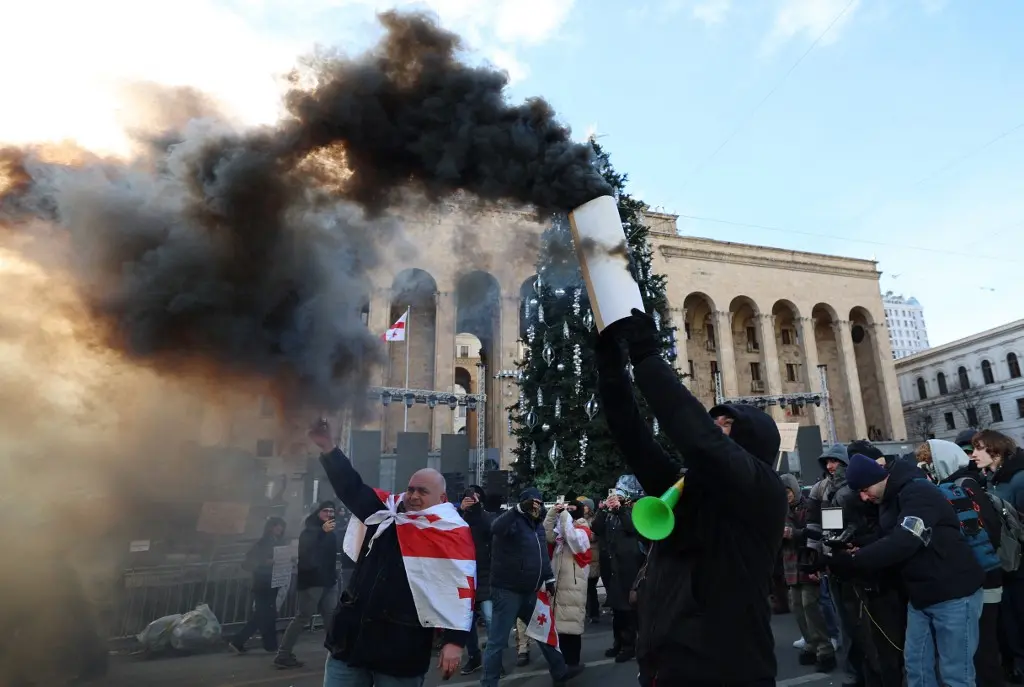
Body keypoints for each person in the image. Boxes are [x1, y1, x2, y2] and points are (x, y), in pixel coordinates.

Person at [596, 309, 788, 687]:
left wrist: (647, 355)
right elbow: (632, 436)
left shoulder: (762, 488)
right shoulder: (688, 490)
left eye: (727, 425)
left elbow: (696, 435)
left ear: (753, 443)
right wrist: (611, 370)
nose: (717, 428)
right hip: (665, 669)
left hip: (728, 671)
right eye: (715, 422)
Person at [309, 422, 469, 687]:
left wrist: (455, 640)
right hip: (350, 643)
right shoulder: (385, 513)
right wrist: (329, 448)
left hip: (400, 651)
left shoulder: (451, 533)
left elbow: (461, 588)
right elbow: (352, 488)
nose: (413, 496)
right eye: (411, 489)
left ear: (441, 499)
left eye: (422, 491)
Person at [829, 453, 984, 687]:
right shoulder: (892, 498)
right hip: (920, 595)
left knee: (955, 674)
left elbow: (906, 539)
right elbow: (888, 536)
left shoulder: (918, 492)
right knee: (917, 669)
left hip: (953, 593)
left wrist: (856, 560)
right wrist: (859, 547)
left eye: (864, 489)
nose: (863, 497)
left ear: (877, 478)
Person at [918, 439, 1005, 687]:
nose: (928, 470)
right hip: (981, 573)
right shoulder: (963, 482)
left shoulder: (961, 486)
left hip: (982, 575)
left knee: (984, 648)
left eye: (930, 463)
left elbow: (987, 529)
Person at [482, 487, 585, 687]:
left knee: (545, 632)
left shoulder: (536, 525)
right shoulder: (511, 521)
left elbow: (541, 556)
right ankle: (489, 683)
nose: (536, 505)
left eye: (538, 501)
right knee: (497, 641)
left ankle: (560, 671)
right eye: (532, 501)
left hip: (529, 591)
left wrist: (549, 578)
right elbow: (495, 528)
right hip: (507, 591)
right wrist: (517, 510)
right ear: (523, 503)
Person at [972, 430, 1024, 683]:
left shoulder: (1018, 479)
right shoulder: (990, 479)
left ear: (995, 450)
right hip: (1003, 562)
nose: (973, 455)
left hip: (1019, 562)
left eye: (979, 448)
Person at [780, 474, 836, 673]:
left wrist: (792, 533)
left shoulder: (808, 506)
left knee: (810, 606)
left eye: (787, 492)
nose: (786, 496)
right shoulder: (780, 511)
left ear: (794, 490)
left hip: (807, 562)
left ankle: (824, 648)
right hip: (790, 566)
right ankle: (811, 645)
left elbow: (814, 533)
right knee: (797, 606)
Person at [274, 501, 340, 669]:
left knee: (331, 617)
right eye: (325, 511)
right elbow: (307, 551)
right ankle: (283, 654)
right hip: (312, 582)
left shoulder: (331, 532)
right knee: (303, 616)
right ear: (317, 513)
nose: (329, 514)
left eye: (331, 511)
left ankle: (338, 652)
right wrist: (322, 534)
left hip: (328, 581)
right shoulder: (310, 531)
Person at [592, 482, 643, 663]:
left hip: (628, 567)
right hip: (612, 568)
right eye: (613, 497)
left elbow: (632, 528)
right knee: (616, 608)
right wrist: (602, 510)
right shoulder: (608, 516)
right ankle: (618, 642)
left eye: (619, 497)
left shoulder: (630, 512)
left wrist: (620, 510)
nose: (615, 500)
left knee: (627, 608)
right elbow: (595, 528)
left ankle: (629, 646)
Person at [544, 498, 593, 667]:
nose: (569, 511)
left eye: (572, 509)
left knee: (572, 625)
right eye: (567, 509)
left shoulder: (583, 529)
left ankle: (573, 662)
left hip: (574, 583)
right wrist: (552, 513)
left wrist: (564, 513)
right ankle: (563, 661)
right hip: (559, 582)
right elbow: (549, 534)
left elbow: (572, 539)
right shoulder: (563, 527)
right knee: (560, 625)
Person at [229, 517, 287, 654]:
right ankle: (240, 641)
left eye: (281, 526)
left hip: (272, 582)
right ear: (270, 527)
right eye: (278, 526)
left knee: (267, 614)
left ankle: (270, 645)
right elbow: (251, 560)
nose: (280, 529)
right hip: (262, 583)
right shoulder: (263, 543)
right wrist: (265, 562)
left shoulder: (278, 542)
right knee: (264, 614)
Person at [458, 485, 496, 675]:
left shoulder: (486, 516)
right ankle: (474, 657)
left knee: (490, 619)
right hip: (464, 577)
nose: (472, 500)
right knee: (466, 623)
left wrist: (478, 509)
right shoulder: (458, 517)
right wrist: (460, 510)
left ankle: (493, 659)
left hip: (485, 574)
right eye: (468, 498)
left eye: (476, 497)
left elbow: (490, 531)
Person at [576, 496, 602, 624]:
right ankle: (587, 611)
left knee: (591, 587)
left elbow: (594, 536)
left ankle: (594, 613)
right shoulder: (578, 520)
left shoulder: (594, 520)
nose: (582, 508)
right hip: (583, 556)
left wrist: (583, 531)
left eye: (584, 505)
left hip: (592, 557)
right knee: (583, 588)